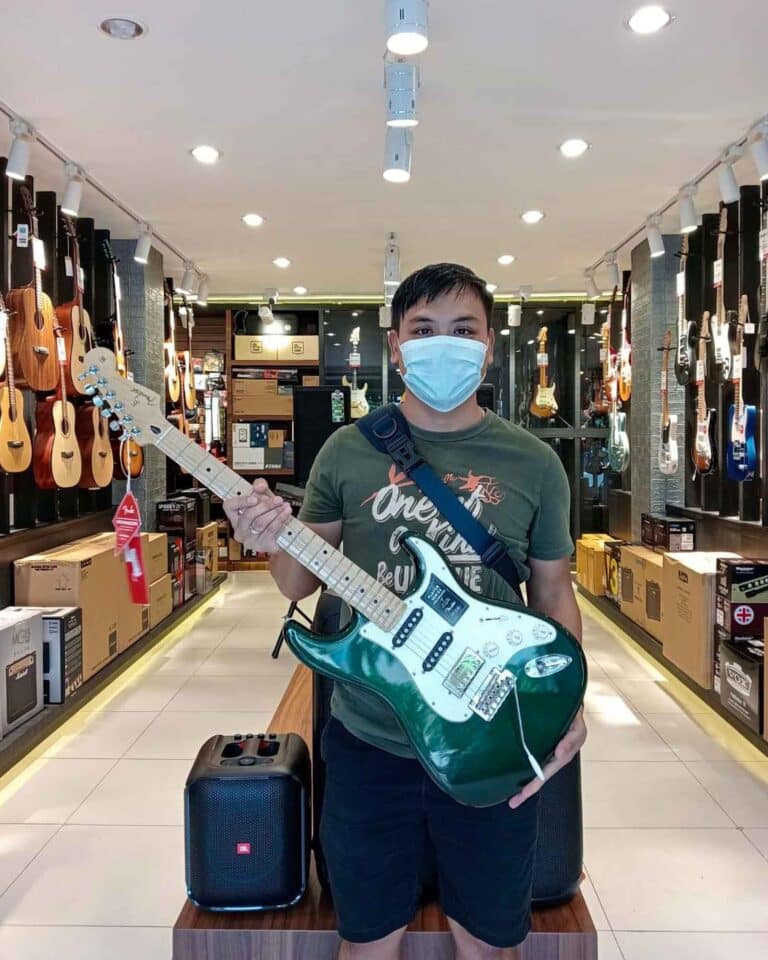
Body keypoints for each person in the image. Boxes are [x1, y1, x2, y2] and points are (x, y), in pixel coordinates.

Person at [225, 263, 586, 960]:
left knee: (490, 944)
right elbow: (297, 583)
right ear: (395, 346)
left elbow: (552, 593)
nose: (443, 343)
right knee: (366, 942)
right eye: (423, 329)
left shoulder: (535, 462)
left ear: (489, 345)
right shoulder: (347, 450)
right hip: (370, 738)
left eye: (463, 329)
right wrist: (269, 536)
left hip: (490, 739)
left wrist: (566, 701)